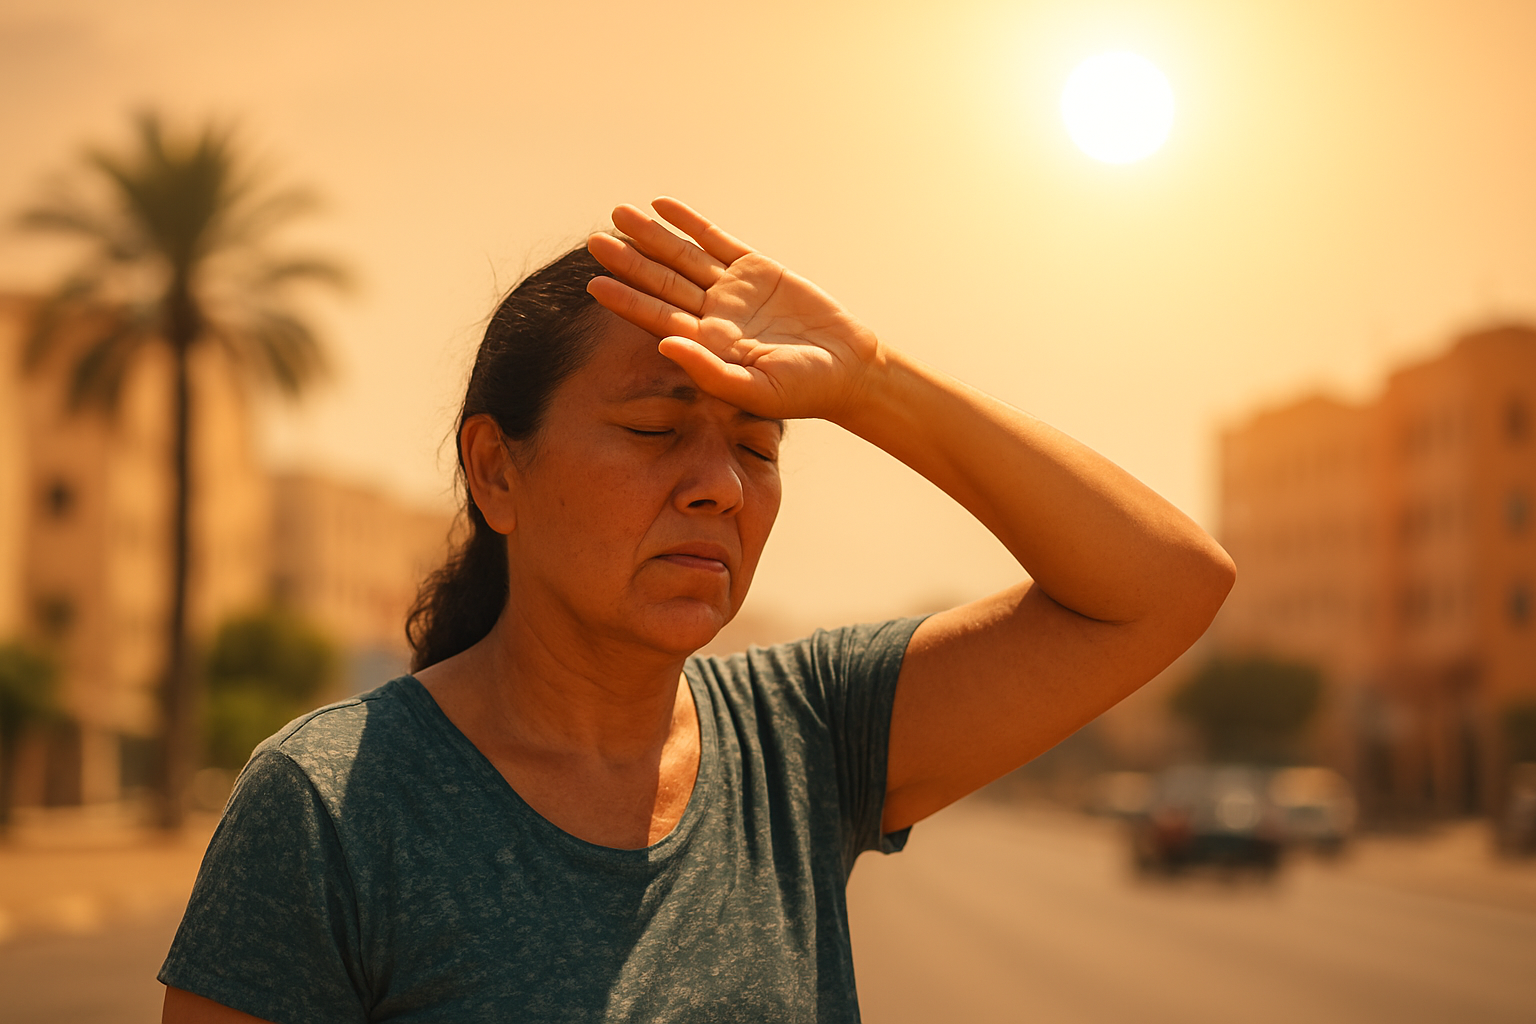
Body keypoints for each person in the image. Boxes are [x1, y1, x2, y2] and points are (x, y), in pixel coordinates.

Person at [159, 198, 1234, 1023]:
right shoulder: (330, 804)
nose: (719, 485)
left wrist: (870, 380)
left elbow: (1167, 585)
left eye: (757, 445)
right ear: (496, 472)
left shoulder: (804, 735)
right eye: (653, 429)